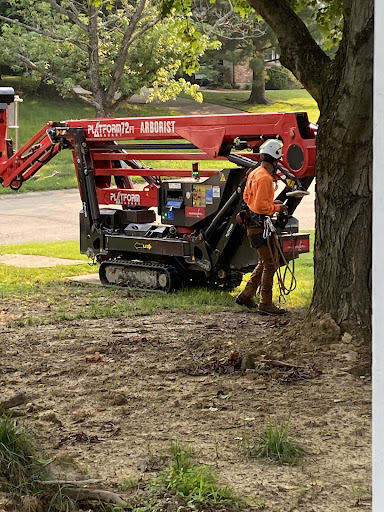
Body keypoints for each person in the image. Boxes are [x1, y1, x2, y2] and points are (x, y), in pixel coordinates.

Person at [236, 139, 288, 315]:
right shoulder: (265, 177)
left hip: (253, 224)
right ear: (275, 160)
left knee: (265, 261)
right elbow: (260, 207)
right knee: (271, 264)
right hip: (259, 226)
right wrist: (277, 207)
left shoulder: (254, 173)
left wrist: (270, 203)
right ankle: (265, 303)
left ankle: (247, 294)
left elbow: (247, 197)